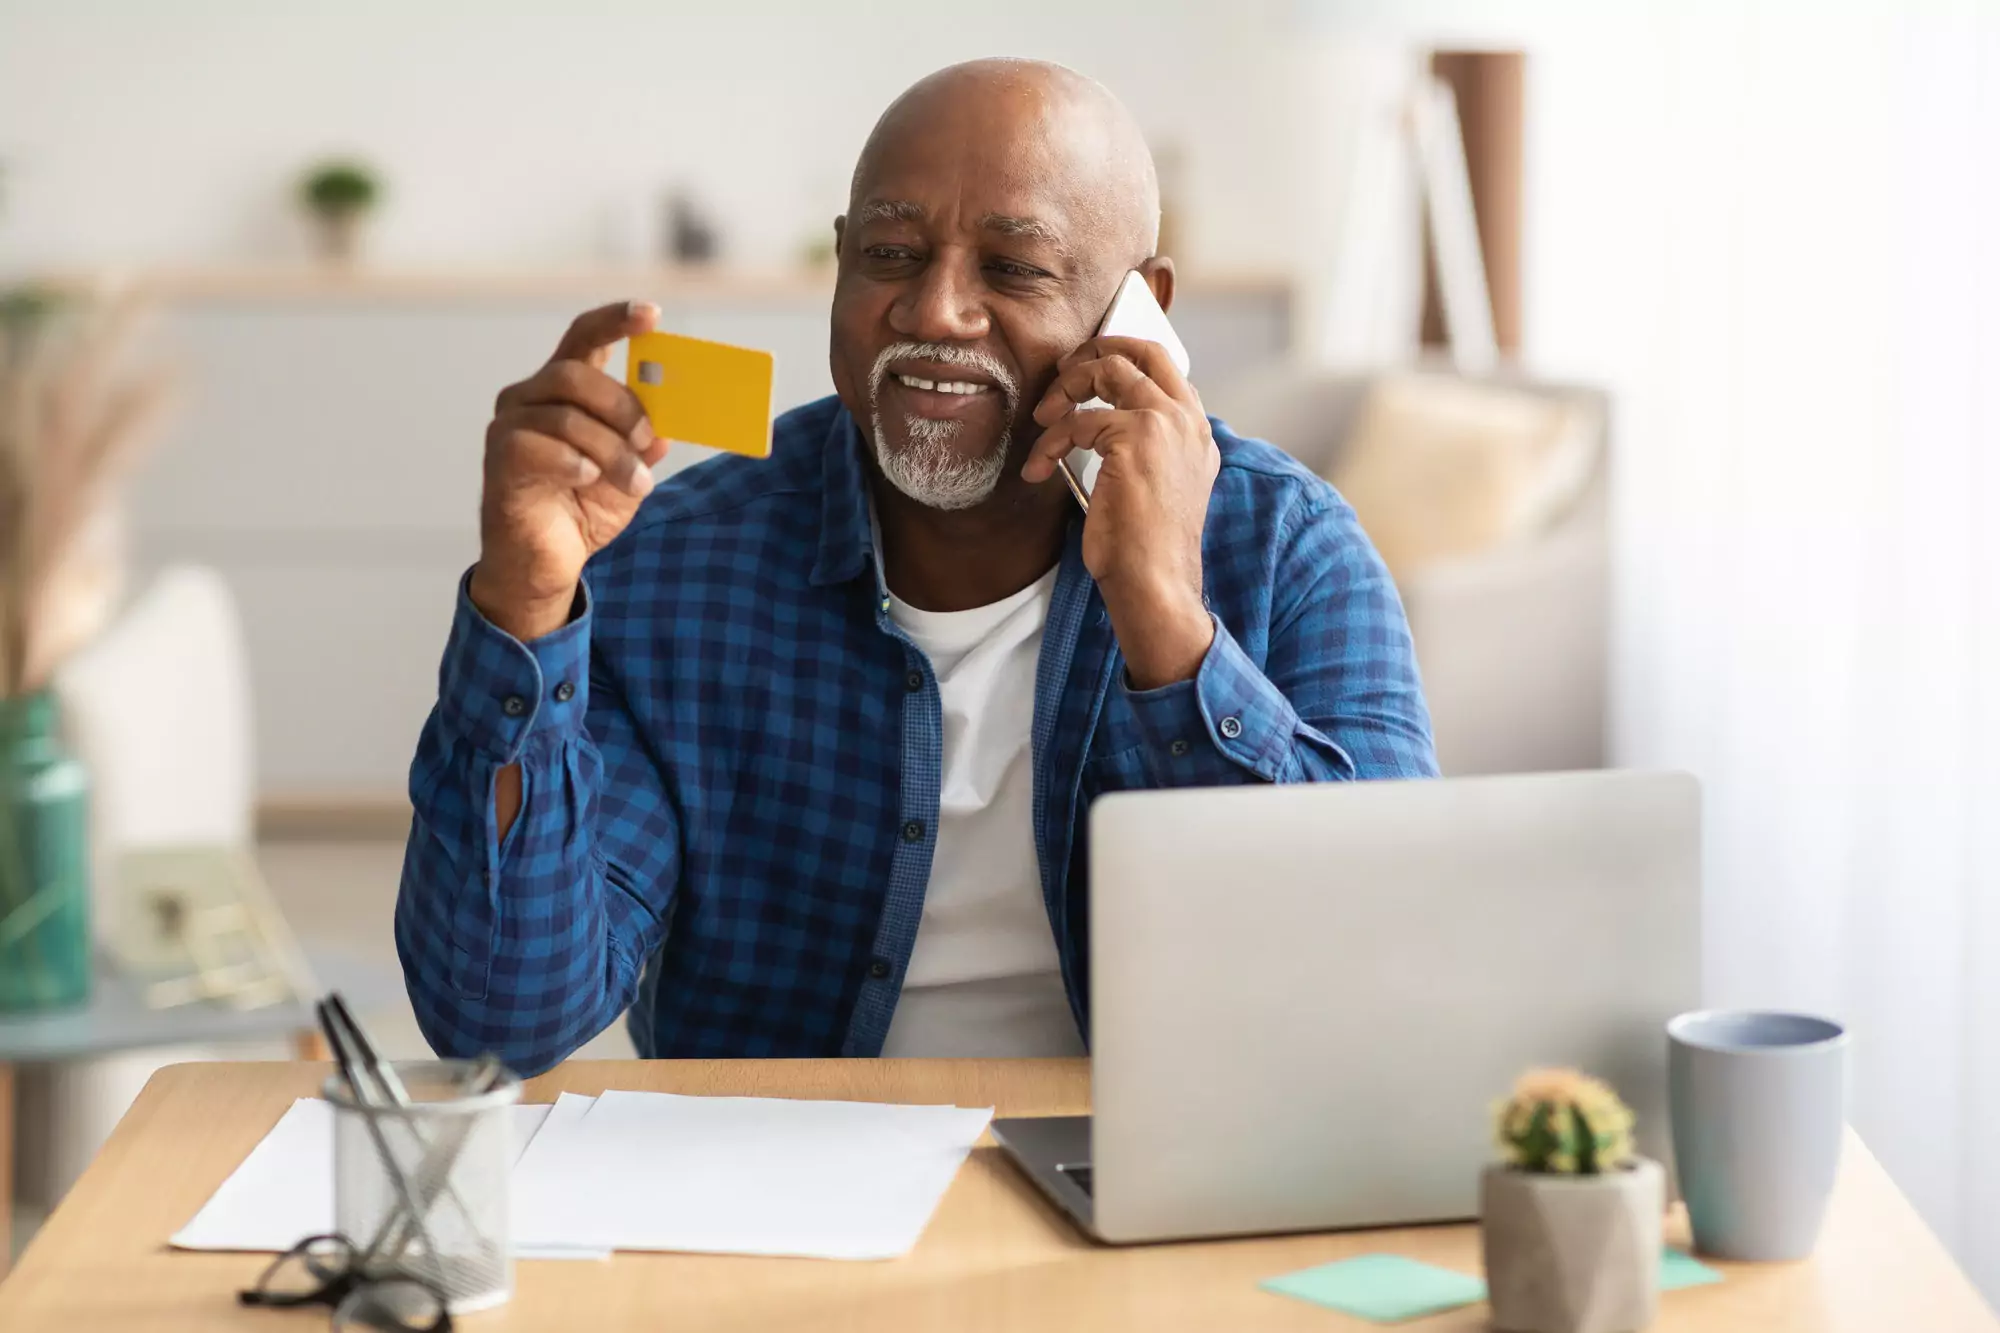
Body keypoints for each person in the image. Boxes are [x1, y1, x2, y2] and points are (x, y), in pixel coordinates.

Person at [395, 58, 1436, 1075]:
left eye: (1013, 267)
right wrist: (525, 603)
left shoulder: (1286, 549)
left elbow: (1378, 971)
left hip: (1148, 1179)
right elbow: (500, 1017)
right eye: (891, 254)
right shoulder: (672, 563)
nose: (935, 310)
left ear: (1141, 306)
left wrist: (1164, 617)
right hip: (772, 1191)